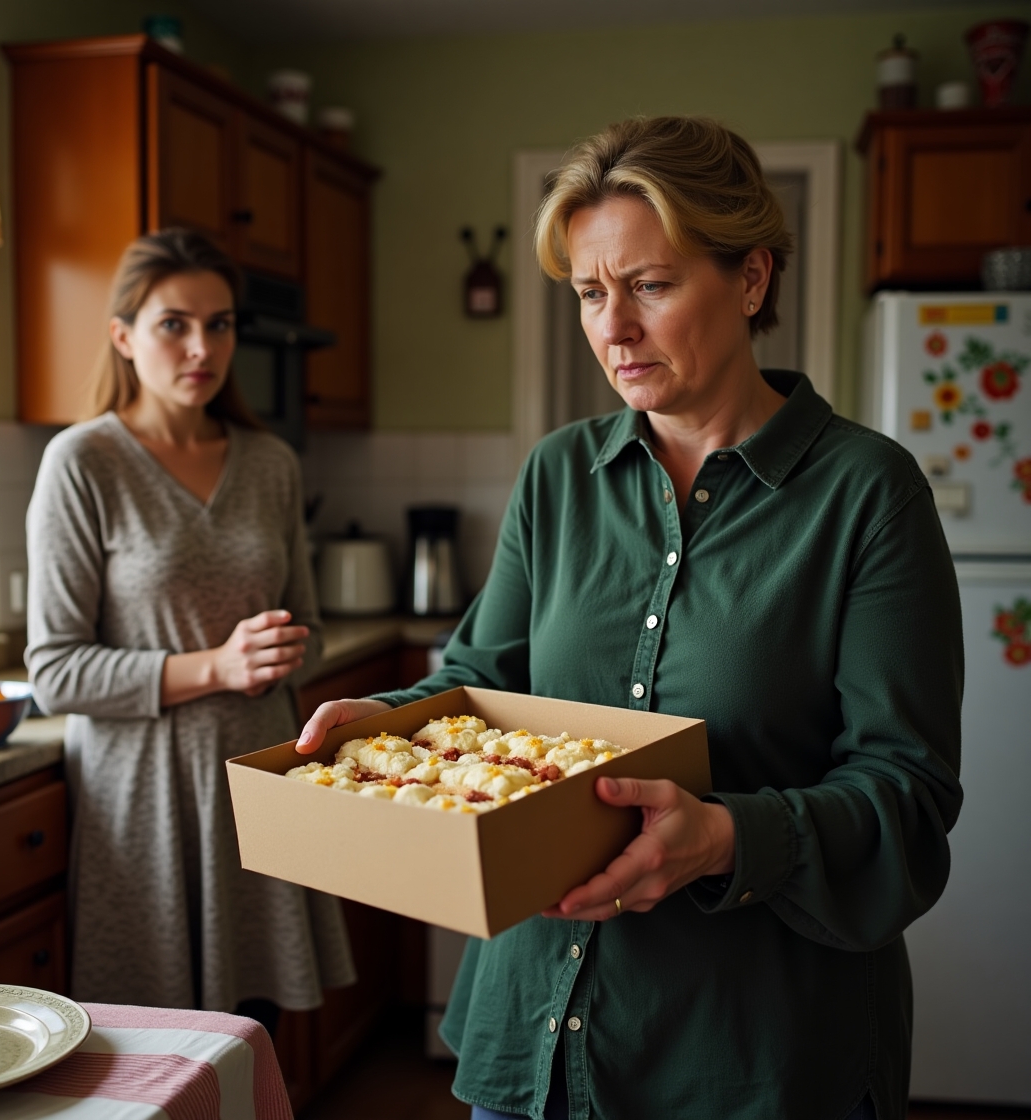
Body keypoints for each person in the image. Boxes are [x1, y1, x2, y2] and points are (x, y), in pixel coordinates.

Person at [295, 118, 963, 1120]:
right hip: (533, 1035)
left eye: (649, 285)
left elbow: (905, 797)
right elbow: (476, 683)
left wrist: (725, 837)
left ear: (751, 279)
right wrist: (387, 724)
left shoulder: (868, 494)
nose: (613, 328)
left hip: (750, 1058)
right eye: (588, 293)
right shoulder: (557, 475)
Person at [27, 229, 355, 1024]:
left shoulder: (271, 463)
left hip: (261, 776)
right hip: (145, 800)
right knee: (157, 1049)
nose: (202, 347)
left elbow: (308, 625)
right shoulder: (83, 463)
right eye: (174, 324)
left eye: (220, 324)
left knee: (259, 1032)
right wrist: (217, 666)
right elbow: (55, 672)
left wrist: (285, 650)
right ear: (123, 336)